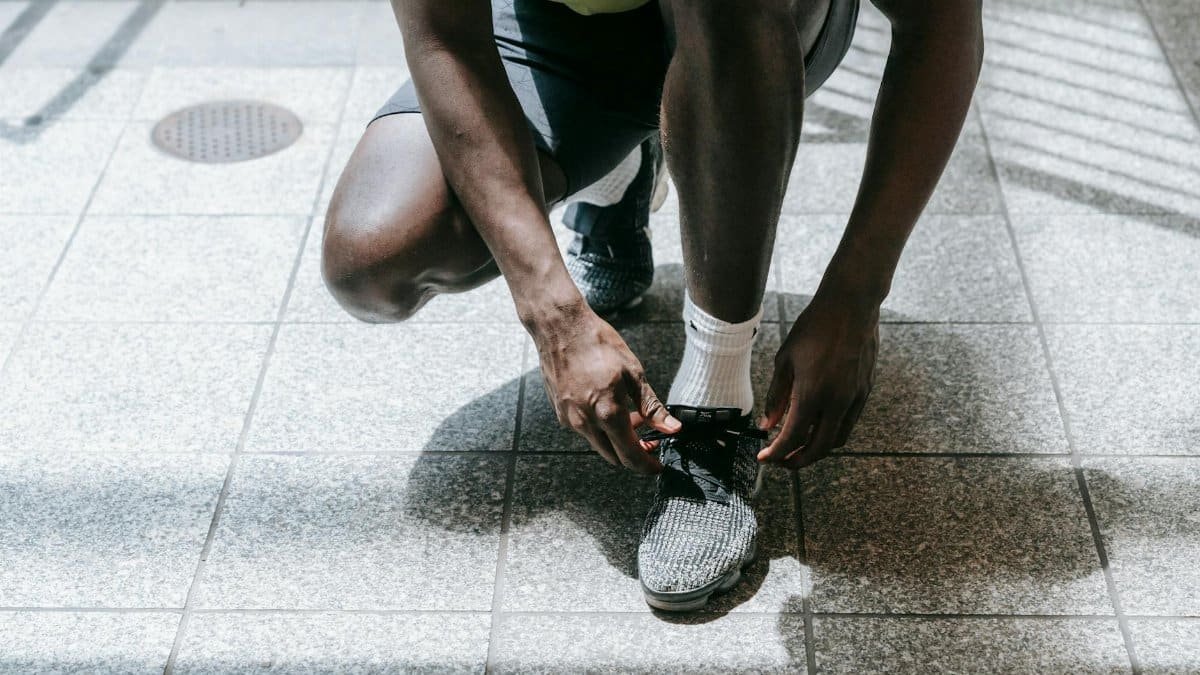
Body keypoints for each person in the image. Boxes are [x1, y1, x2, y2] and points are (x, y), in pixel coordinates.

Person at [322, 0, 984, 611]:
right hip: (566, 28)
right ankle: (621, 167)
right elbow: (445, 39)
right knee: (374, 260)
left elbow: (942, 21)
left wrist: (855, 294)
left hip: (754, 22)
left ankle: (715, 406)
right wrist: (554, 313)